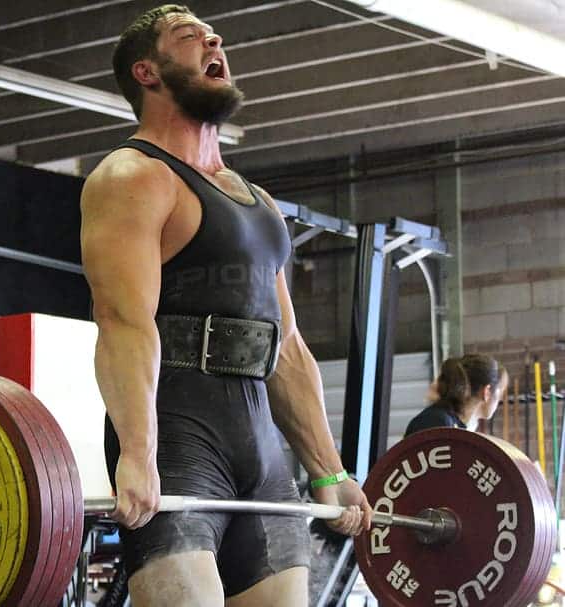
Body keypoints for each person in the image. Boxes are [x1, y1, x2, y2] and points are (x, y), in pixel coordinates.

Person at [79, 6, 372, 606]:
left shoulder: (257, 200)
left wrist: (330, 473)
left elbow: (286, 347)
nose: (213, 40)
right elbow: (123, 324)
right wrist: (137, 453)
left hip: (262, 452)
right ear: (147, 72)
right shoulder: (132, 177)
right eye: (189, 38)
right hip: (179, 447)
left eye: (214, 35)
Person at [405, 354, 508, 437]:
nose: (500, 400)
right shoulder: (440, 422)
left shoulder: (450, 423)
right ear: (487, 392)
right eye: (500, 392)